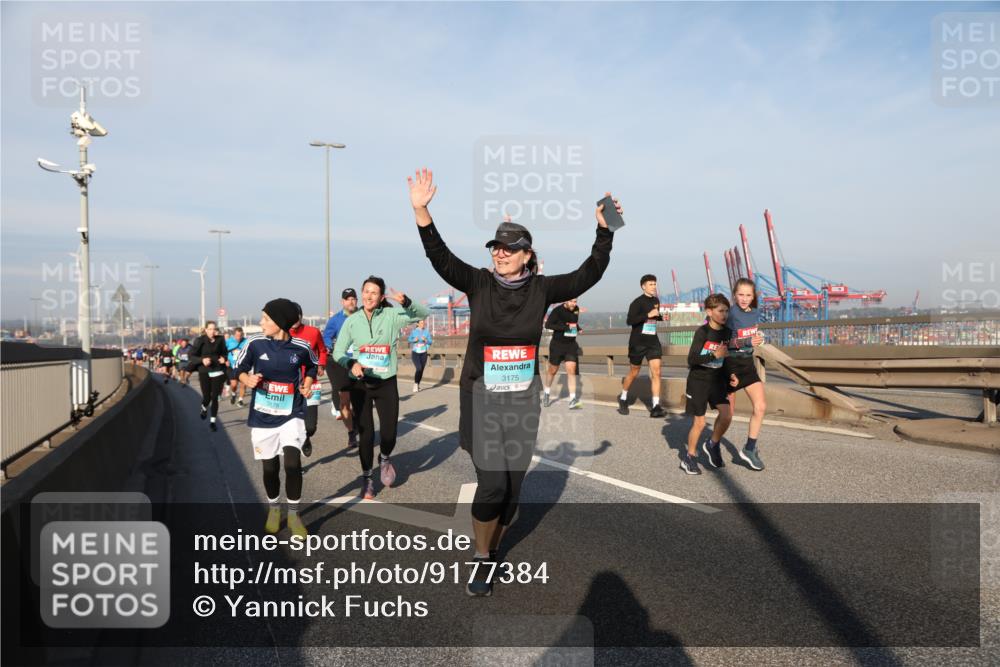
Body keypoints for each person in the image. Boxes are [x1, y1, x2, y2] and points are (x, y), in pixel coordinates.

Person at [409, 168, 617, 596]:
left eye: (510, 248)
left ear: (528, 254)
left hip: (523, 401)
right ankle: (482, 559)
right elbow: (440, 257)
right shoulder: (478, 283)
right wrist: (421, 210)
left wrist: (605, 230)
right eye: (496, 248)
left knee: (514, 490)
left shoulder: (541, 290)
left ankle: (494, 544)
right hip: (481, 397)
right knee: (493, 483)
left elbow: (589, 273)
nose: (501, 253)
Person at [332, 277, 429, 500]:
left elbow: (423, 314)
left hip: (386, 382)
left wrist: (407, 302)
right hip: (361, 383)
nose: (369, 296)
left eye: (374, 292)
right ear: (361, 293)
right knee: (365, 435)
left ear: (381, 296)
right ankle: (367, 479)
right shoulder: (352, 321)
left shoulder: (392, 315)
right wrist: (351, 363)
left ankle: (384, 457)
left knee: (389, 433)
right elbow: (338, 352)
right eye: (366, 291)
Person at [235, 298, 317, 537]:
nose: (261, 323)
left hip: (292, 413)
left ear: (279, 323)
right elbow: (238, 369)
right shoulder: (255, 344)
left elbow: (311, 366)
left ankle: (293, 515)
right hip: (263, 416)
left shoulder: (301, 347)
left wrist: (308, 384)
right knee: (270, 469)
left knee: (293, 464)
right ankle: (274, 508)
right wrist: (246, 380)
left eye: (265, 319)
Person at [709, 278, 767, 471]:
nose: (744, 298)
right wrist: (747, 342)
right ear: (734, 295)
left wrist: (758, 339)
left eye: (748, 295)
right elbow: (725, 342)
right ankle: (713, 443)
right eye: (741, 295)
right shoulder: (730, 314)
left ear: (754, 296)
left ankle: (749, 449)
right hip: (730, 365)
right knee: (727, 416)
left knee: (760, 407)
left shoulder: (756, 313)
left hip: (747, 364)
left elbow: (752, 336)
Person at [681, 294, 733, 475]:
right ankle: (690, 457)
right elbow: (692, 359)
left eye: (727, 311)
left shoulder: (727, 332)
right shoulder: (702, 332)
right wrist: (713, 355)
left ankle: (712, 444)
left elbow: (726, 358)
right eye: (720, 311)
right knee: (700, 423)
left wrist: (731, 375)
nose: (724, 315)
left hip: (717, 380)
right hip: (699, 381)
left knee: (726, 415)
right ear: (709, 312)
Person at [619, 275, 666, 418]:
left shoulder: (656, 301)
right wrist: (648, 314)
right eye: (651, 284)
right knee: (634, 372)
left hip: (653, 342)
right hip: (638, 343)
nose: (654, 286)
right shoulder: (637, 303)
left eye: (655, 284)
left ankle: (656, 406)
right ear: (643, 286)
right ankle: (623, 398)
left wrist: (660, 317)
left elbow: (654, 317)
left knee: (657, 372)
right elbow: (630, 321)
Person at [322, 289, 360, 449]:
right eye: (347, 299)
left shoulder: (364, 315)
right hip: (342, 362)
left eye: (353, 298)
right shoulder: (335, 320)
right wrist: (330, 346)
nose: (351, 301)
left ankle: (359, 425)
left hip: (360, 362)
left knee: (360, 400)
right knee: (345, 400)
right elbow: (326, 336)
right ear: (342, 302)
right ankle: (351, 432)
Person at [289, 304, 328, 458]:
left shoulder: (313, 332)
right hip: (290, 385)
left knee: (310, 426)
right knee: (292, 427)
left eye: (297, 315)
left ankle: (306, 438)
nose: (294, 319)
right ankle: (295, 461)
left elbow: (323, 350)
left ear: (301, 316)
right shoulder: (282, 334)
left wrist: (321, 364)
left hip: (311, 382)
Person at [543, 299, 583, 409]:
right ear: (565, 301)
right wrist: (565, 328)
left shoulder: (576, 309)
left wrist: (578, 328)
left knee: (571, 370)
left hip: (570, 345)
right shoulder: (557, 311)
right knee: (553, 370)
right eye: (571, 302)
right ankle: (546, 393)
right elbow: (548, 325)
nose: (573, 304)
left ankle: (573, 400)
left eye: (575, 301)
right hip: (557, 345)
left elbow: (573, 323)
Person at [189, 321, 228, 431]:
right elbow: (191, 356)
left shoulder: (220, 339)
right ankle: (203, 407)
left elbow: (225, 353)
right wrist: (202, 360)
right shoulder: (200, 340)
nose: (212, 331)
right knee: (207, 397)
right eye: (210, 329)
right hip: (204, 371)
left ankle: (212, 422)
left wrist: (224, 358)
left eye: (214, 329)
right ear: (205, 330)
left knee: (215, 397)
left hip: (217, 370)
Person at [407, 319, 433, 392]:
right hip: (415, 353)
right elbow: (409, 340)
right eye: (421, 323)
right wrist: (414, 340)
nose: (422, 324)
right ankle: (415, 384)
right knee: (418, 368)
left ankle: (418, 384)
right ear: (417, 324)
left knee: (421, 369)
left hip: (424, 352)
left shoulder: (426, 332)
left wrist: (426, 340)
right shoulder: (414, 331)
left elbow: (430, 342)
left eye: (423, 323)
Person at [226, 327, 248, 407]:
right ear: (234, 335)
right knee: (234, 384)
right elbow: (222, 351)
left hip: (243, 366)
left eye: (240, 335)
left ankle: (240, 400)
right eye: (237, 336)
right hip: (232, 366)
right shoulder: (228, 341)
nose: (239, 337)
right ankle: (233, 393)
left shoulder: (246, 341)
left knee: (243, 383)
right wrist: (226, 360)